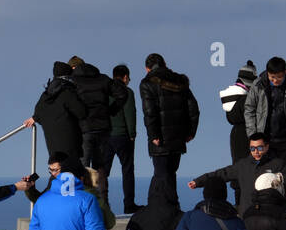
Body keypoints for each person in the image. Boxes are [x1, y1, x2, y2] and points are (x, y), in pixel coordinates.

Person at [189, 134, 286, 217]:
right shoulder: (242, 165)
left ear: (267, 147)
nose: (256, 152)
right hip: (248, 217)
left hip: (271, 216)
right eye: (252, 148)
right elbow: (220, 174)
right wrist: (198, 181)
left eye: (260, 148)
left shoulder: (277, 165)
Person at [140, 53, 200, 189]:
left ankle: (162, 206)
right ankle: (172, 205)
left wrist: (153, 135)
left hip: (160, 138)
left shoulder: (147, 83)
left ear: (147, 69)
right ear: (165, 64)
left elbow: (149, 112)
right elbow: (193, 109)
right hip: (178, 137)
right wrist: (191, 132)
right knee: (171, 173)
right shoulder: (180, 81)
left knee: (161, 175)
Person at [67, 57, 128, 189]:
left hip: (84, 129)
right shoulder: (103, 79)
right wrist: (111, 111)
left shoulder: (73, 81)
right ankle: (102, 202)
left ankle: (82, 201)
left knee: (82, 167)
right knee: (100, 168)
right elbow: (122, 93)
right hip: (103, 128)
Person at [243, 58, 286, 170]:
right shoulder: (258, 84)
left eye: (278, 77)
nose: (275, 80)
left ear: (285, 72)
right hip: (264, 140)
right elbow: (249, 108)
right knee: (264, 178)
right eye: (272, 77)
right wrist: (253, 135)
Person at [27, 62, 87, 165]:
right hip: (70, 139)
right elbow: (82, 112)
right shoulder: (67, 92)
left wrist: (34, 118)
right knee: (70, 168)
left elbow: (39, 113)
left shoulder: (46, 94)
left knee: (57, 167)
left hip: (52, 140)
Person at [107, 64, 137, 213]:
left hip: (105, 136)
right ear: (125, 77)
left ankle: (102, 205)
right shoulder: (127, 92)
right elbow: (130, 114)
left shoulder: (105, 91)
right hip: (123, 136)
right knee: (127, 170)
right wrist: (132, 134)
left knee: (103, 172)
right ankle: (129, 204)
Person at [220, 61, 258, 167]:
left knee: (238, 166)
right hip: (248, 134)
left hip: (236, 134)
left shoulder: (231, 98)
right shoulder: (246, 99)